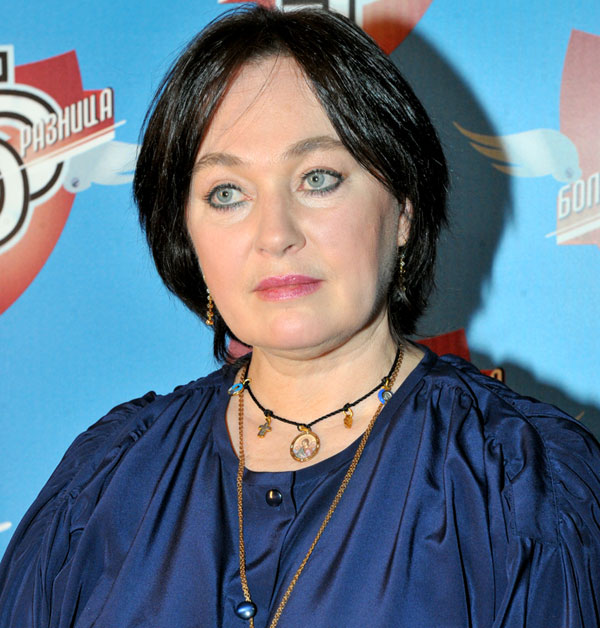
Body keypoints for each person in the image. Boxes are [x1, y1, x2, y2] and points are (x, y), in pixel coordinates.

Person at [1, 5, 599, 627]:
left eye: (318, 178)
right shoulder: (107, 478)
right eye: (226, 193)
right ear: (185, 235)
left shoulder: (519, 482)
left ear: (402, 210)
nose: (275, 234)